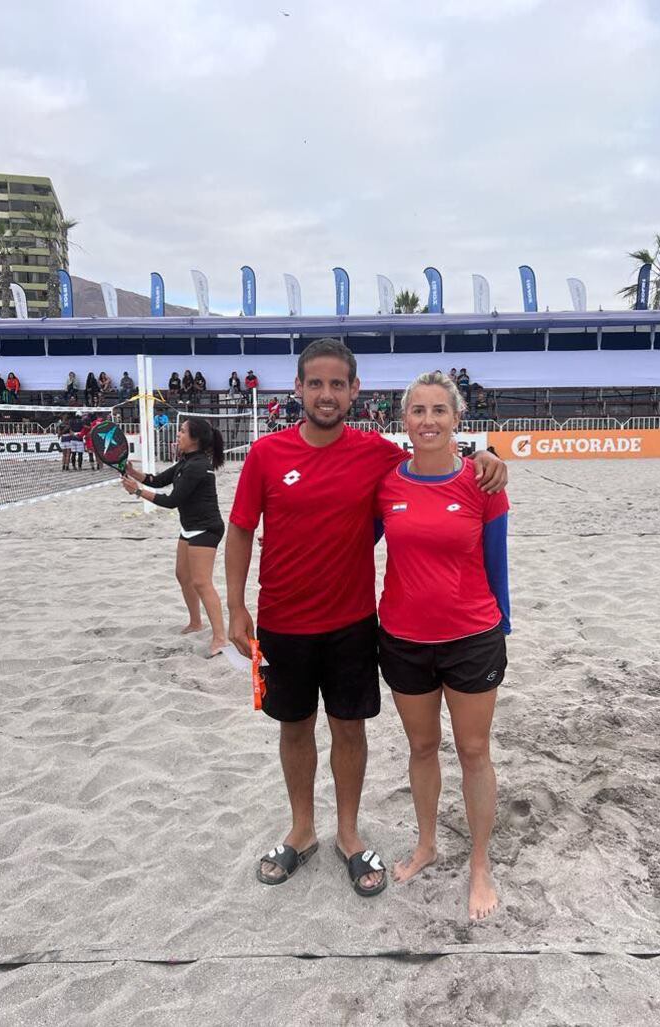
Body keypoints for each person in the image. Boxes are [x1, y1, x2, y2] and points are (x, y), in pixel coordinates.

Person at [225, 338, 507, 897]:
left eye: (337, 384)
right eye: (315, 383)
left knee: (349, 728)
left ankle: (348, 834)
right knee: (294, 726)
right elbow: (240, 530)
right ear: (298, 388)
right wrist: (235, 606)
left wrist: (487, 451)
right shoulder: (266, 454)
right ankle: (302, 830)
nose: (326, 394)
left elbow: (437, 456)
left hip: (355, 620)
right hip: (281, 620)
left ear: (354, 391)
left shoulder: (376, 454)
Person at [374, 371, 510, 921]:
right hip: (403, 638)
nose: (427, 421)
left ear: (457, 419)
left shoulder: (484, 483)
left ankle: (480, 863)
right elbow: (351, 541)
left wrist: (504, 625)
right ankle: (427, 844)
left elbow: (498, 561)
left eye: (438, 411)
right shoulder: (387, 485)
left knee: (474, 752)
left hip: (472, 637)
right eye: (417, 411)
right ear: (403, 420)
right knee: (422, 749)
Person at [123, 417, 229, 658]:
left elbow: (172, 501)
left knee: (202, 582)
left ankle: (220, 638)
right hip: (190, 527)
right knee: (183, 575)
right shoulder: (186, 462)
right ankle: (195, 622)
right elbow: (159, 480)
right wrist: (135, 473)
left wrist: (137, 491)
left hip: (206, 529)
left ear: (195, 440)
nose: (178, 435)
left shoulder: (198, 466)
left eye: (182, 431)